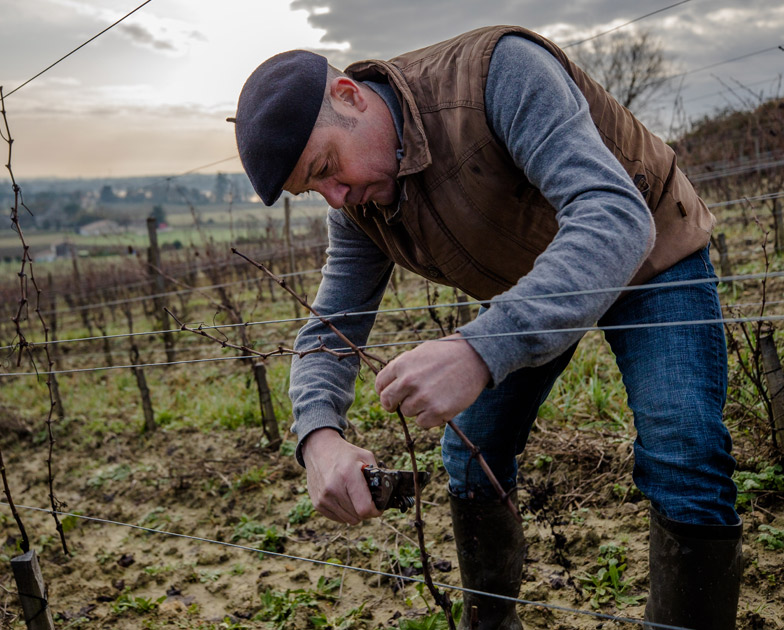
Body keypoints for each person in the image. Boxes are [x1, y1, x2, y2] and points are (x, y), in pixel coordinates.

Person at [232, 25, 742, 630]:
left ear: (349, 96)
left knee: (683, 449)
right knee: (472, 453)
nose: (336, 198)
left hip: (650, 247)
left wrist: (479, 349)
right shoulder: (361, 203)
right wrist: (317, 435)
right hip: (534, 278)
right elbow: (332, 326)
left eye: (326, 167)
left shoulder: (495, 74)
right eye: (312, 189)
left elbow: (613, 217)